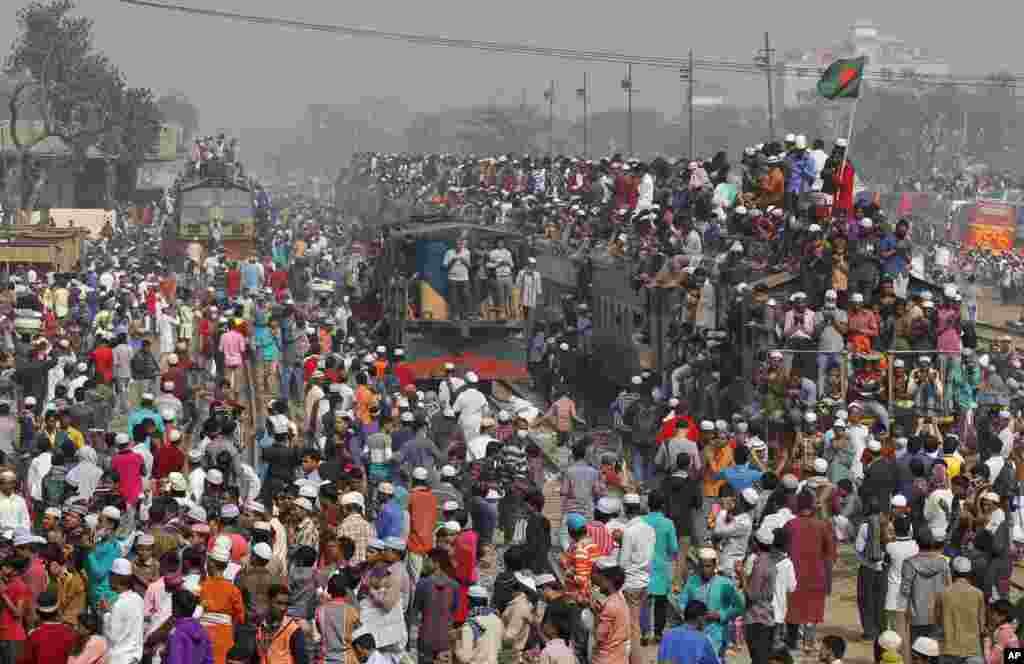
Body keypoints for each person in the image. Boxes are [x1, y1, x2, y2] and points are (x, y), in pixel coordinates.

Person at [678, 547, 745, 656]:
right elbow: (682, 602)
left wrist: (720, 615)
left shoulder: (725, 583)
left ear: (715, 566)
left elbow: (739, 607)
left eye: (708, 566)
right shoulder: (692, 581)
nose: (705, 569)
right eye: (702, 566)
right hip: (695, 633)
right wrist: (692, 615)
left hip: (718, 633)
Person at [934, 557, 984, 664]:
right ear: (970, 573)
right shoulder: (978, 593)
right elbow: (981, 625)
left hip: (948, 649)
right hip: (972, 649)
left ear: (953, 572)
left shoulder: (943, 593)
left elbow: (937, 621)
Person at [104, 558, 145, 664]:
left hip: (120, 659)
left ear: (115, 578)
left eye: (110, 575)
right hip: (135, 658)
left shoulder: (119, 604)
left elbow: (112, 636)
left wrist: (106, 613)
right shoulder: (138, 599)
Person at [590, 558, 629, 664]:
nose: (595, 583)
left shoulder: (610, 606)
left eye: (598, 580)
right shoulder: (620, 599)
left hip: (606, 659)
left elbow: (599, 637)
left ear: (606, 580)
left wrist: (596, 616)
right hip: (619, 657)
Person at [656, 600, 719, 664]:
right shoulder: (703, 640)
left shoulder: (667, 635)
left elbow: (661, 659)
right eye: (706, 619)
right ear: (700, 618)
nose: (706, 622)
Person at [165, 589, 214, 664]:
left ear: (174, 609)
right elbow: (209, 659)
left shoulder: (176, 633)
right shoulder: (203, 631)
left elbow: (174, 660)